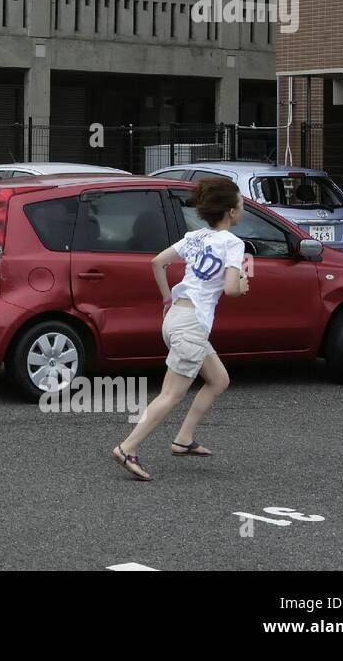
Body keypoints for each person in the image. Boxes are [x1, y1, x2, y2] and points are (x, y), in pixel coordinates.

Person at [112, 177, 249, 481]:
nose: (241, 208)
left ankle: (183, 439)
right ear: (230, 211)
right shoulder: (233, 243)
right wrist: (243, 284)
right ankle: (127, 447)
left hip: (176, 317)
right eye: (240, 203)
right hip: (192, 326)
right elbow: (230, 289)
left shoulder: (195, 237)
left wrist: (165, 297)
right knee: (171, 394)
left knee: (218, 379)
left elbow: (157, 262)